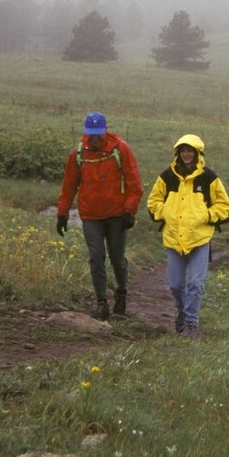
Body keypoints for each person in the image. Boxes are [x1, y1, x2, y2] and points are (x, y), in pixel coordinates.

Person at [56, 111, 143, 320]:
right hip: (91, 216)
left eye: (97, 134)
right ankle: (101, 301)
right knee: (96, 257)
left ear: (105, 130)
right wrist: (62, 213)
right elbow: (69, 186)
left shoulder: (121, 149)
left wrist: (130, 211)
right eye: (90, 134)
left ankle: (121, 293)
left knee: (117, 259)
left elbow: (135, 185)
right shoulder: (78, 153)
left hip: (117, 215)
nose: (94, 138)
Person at [147, 134, 229, 338]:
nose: (186, 154)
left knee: (195, 283)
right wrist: (164, 212)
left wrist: (208, 215)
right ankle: (182, 311)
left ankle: (191, 325)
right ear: (178, 153)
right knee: (176, 284)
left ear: (197, 153)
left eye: (190, 151)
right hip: (173, 239)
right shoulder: (167, 176)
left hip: (199, 239)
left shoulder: (209, 178)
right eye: (183, 150)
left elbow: (226, 207)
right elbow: (153, 202)